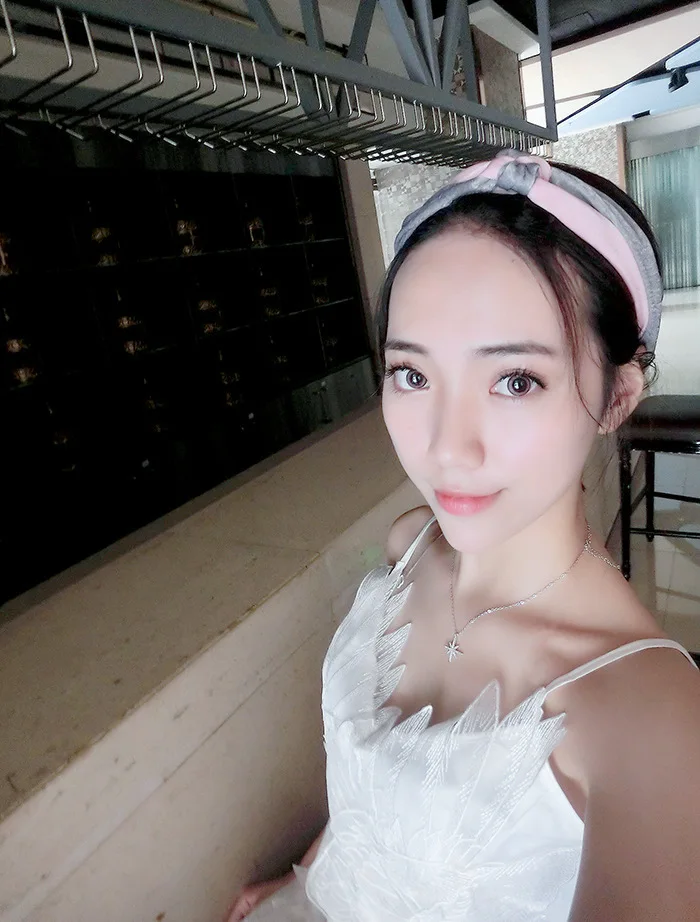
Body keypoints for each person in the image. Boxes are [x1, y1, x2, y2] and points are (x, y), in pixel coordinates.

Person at [226, 150, 700, 922]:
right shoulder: (409, 545)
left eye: (515, 381)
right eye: (412, 374)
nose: (448, 446)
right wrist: (309, 874)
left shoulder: (648, 717)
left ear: (618, 395)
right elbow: (372, 785)